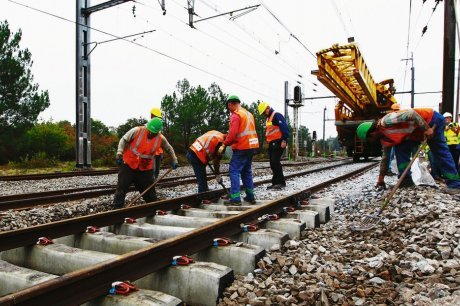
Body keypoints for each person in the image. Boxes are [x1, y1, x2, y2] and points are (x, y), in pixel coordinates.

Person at [356, 108, 460, 194]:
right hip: (414, 132)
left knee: (439, 152)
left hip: (431, 120)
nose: (371, 141)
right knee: (400, 148)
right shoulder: (385, 138)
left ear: (372, 133)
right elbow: (385, 158)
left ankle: (454, 185)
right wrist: (380, 179)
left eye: (369, 139)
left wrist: (426, 129)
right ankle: (406, 180)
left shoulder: (386, 121)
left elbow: (411, 114)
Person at [112, 117, 179, 209]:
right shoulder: (136, 131)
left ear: (158, 131)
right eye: (150, 131)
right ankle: (116, 210)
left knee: (149, 191)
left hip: (145, 168)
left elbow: (169, 148)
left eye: (154, 132)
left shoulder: (160, 138)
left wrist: (174, 160)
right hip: (129, 164)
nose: (151, 134)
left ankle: (153, 210)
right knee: (121, 189)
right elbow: (123, 140)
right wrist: (119, 153)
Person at [223, 95, 259, 205]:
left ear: (230, 104)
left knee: (234, 171)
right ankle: (250, 196)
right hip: (251, 146)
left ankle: (235, 199)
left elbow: (233, 135)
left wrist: (224, 144)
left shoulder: (236, 115)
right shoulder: (248, 114)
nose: (229, 110)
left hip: (242, 147)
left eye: (228, 107)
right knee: (246, 171)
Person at [257, 101, 290, 189]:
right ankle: (275, 182)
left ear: (268, 108)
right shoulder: (268, 118)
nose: (264, 114)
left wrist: (284, 140)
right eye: (263, 113)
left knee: (275, 161)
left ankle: (281, 182)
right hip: (272, 143)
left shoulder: (276, 115)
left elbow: (284, 128)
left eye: (264, 111)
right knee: (272, 163)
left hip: (279, 142)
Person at [150, 107, 164, 180]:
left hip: (158, 152)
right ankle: (151, 183)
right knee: (152, 169)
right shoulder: (149, 127)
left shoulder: (158, 128)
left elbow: (161, 142)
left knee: (157, 170)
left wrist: (161, 152)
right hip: (151, 153)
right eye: (156, 116)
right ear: (152, 116)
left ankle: (154, 182)